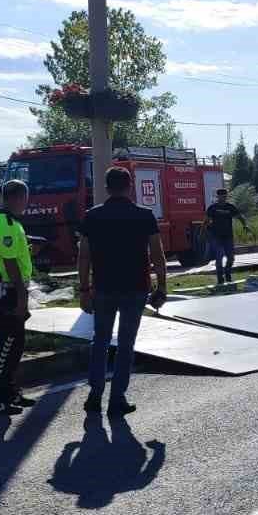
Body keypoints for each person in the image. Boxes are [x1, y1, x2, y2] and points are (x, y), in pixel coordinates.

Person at [78, 167, 170, 416]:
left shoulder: (92, 216)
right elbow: (158, 255)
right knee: (126, 344)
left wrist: (84, 289)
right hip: (135, 289)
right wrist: (161, 286)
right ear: (129, 187)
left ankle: (94, 396)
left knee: (100, 341)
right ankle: (117, 399)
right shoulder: (144, 215)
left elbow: (83, 255)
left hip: (104, 289)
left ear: (106, 188)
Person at [0, 180, 36, 415]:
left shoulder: (1, 221)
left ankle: (9, 392)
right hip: (8, 290)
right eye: (25, 197)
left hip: (6, 287)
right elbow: (10, 263)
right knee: (6, 345)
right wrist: (22, 300)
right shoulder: (6, 223)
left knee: (15, 344)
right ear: (16, 198)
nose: (27, 202)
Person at [205, 188, 250, 285]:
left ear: (226, 196)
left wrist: (245, 225)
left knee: (231, 258)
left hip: (228, 236)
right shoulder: (212, 208)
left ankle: (228, 272)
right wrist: (207, 229)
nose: (223, 198)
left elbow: (240, 217)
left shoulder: (230, 207)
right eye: (221, 196)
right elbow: (207, 221)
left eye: (225, 196)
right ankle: (220, 278)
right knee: (219, 256)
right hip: (216, 236)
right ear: (217, 197)